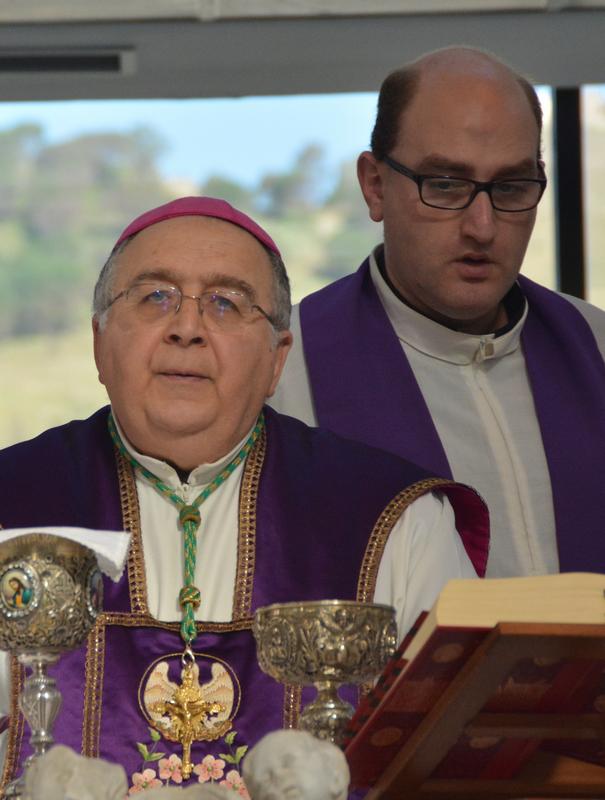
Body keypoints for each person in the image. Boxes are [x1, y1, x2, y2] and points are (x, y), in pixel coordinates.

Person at [0, 197, 488, 794]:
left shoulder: (395, 521)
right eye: (154, 297)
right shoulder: (10, 502)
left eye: (226, 303)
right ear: (99, 341)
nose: (186, 328)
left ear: (277, 359)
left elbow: (457, 765)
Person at [270, 46, 605, 579]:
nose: (482, 227)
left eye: (511, 186)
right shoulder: (282, 371)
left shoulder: (596, 347)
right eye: (445, 185)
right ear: (375, 186)